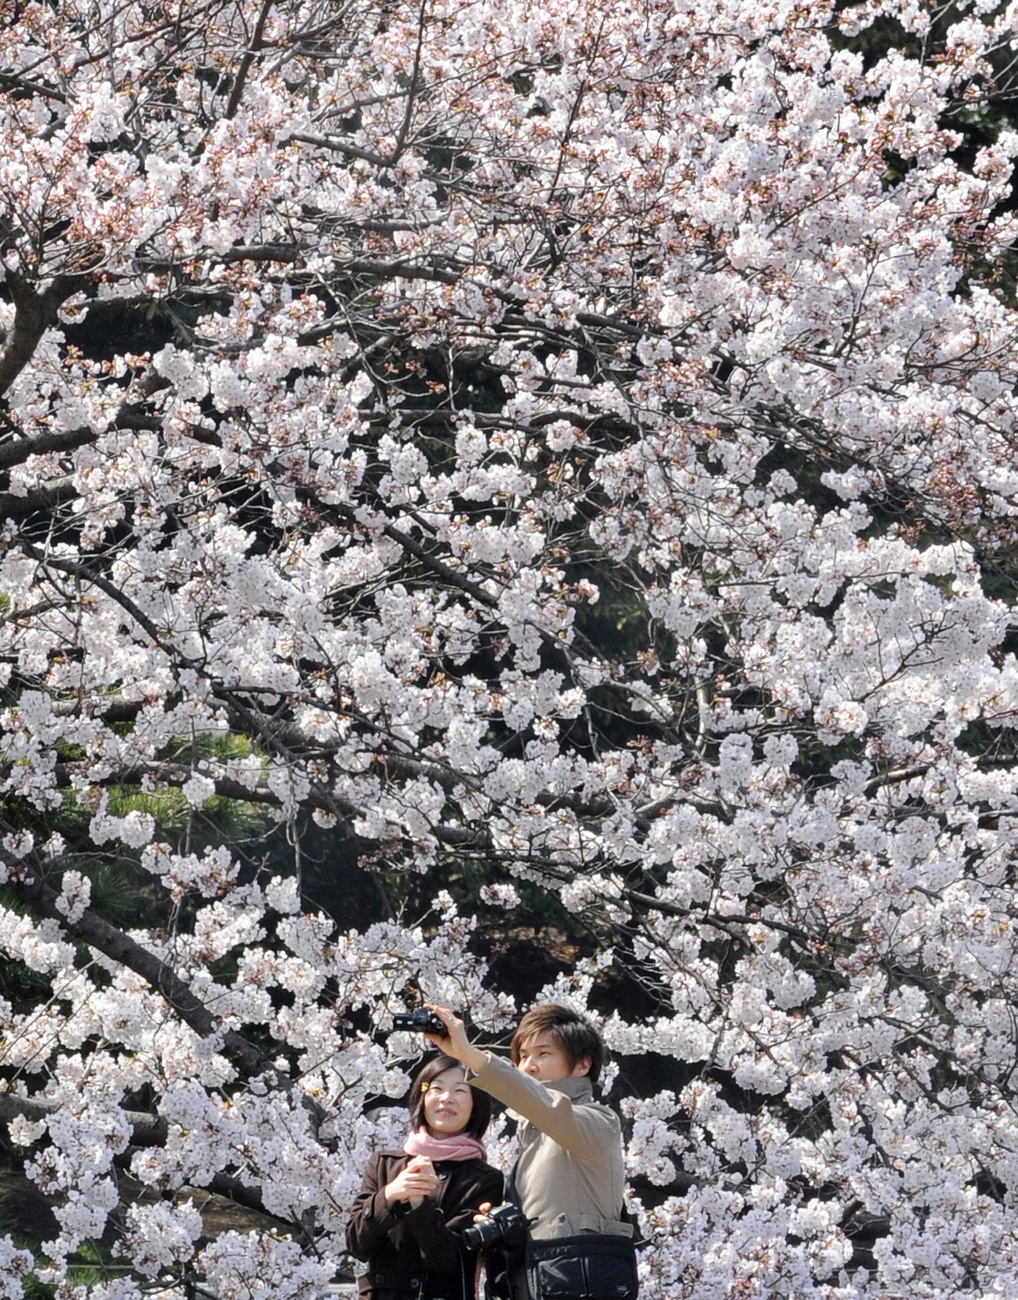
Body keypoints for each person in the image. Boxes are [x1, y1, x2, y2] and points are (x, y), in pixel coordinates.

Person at [423, 1003, 631, 1300]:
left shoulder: (599, 1123)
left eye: (543, 1054)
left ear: (583, 1065)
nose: (528, 1065)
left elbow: (549, 1107)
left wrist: (470, 1055)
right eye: (522, 1056)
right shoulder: (534, 1135)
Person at [347, 1052, 505, 1300]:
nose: (446, 1099)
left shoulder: (484, 1180)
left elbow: (447, 1259)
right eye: (435, 1089)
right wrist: (388, 1196)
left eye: (460, 1091)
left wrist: (419, 1205)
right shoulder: (385, 1164)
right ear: (422, 1098)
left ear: (476, 1103)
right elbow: (357, 1244)